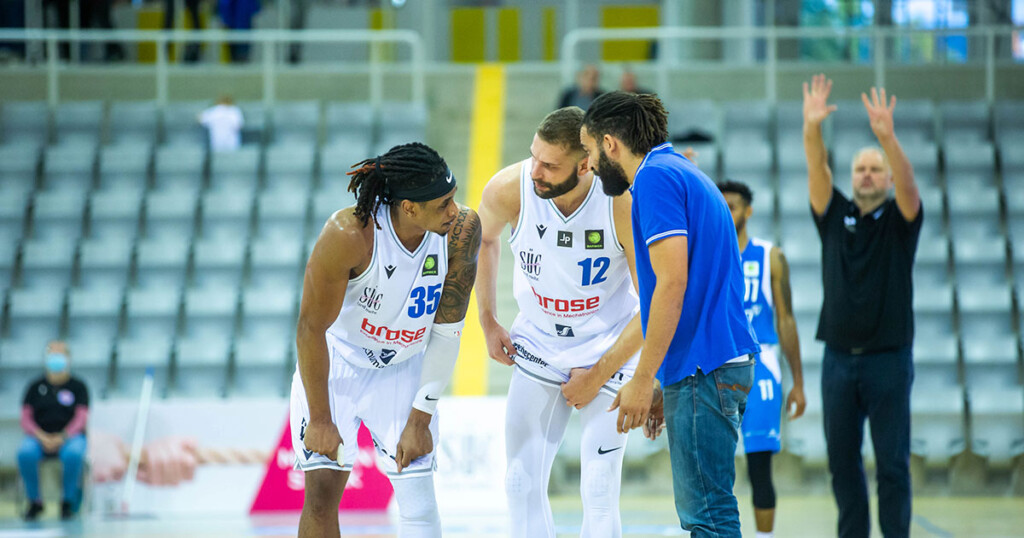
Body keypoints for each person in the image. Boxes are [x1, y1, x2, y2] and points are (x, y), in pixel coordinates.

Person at [580, 91, 759, 538]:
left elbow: (671, 284)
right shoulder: (681, 170)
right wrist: (664, 378)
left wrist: (642, 379)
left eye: (588, 152)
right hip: (713, 362)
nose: (588, 165)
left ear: (610, 143)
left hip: (707, 366)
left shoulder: (656, 179)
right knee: (711, 509)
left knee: (708, 517)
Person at [290, 142, 480, 538]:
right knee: (322, 495)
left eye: (454, 197)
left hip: (404, 366)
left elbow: (448, 331)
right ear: (409, 207)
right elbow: (310, 328)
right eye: (443, 203)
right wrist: (321, 419)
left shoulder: (461, 232)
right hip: (339, 363)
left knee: (419, 502)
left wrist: (420, 418)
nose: (454, 210)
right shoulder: (349, 234)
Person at [476, 106, 644, 537]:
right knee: (519, 481)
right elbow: (484, 240)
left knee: (600, 486)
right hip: (539, 342)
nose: (536, 171)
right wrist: (488, 319)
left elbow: (654, 305)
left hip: (608, 345)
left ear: (586, 164)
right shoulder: (509, 189)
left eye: (550, 165)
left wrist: (602, 374)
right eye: (534, 156)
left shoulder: (622, 202)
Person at [802, 74, 921, 538]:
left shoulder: (901, 217)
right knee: (842, 466)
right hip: (837, 362)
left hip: (889, 361)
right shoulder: (834, 214)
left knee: (892, 465)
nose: (866, 175)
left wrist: (887, 139)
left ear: (887, 177)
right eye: (860, 170)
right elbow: (818, 170)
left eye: (875, 169)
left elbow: (910, 187)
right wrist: (812, 130)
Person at [718, 180, 807, 538]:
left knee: (759, 468)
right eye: (721, 205)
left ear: (748, 211)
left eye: (734, 205)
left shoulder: (771, 256)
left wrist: (798, 382)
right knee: (716, 468)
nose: (728, 211)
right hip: (718, 366)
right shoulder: (706, 255)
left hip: (762, 367)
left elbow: (786, 319)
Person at [17, 341, 89, 521]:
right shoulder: (35, 387)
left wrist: (62, 436)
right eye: (52, 354)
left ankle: (67, 501)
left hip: (69, 437)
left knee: (73, 454)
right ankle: (35, 501)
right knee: (25, 453)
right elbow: (25, 418)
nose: (56, 358)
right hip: (38, 437)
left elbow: (81, 418)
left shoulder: (78, 387)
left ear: (68, 358)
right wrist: (41, 436)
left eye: (60, 354)